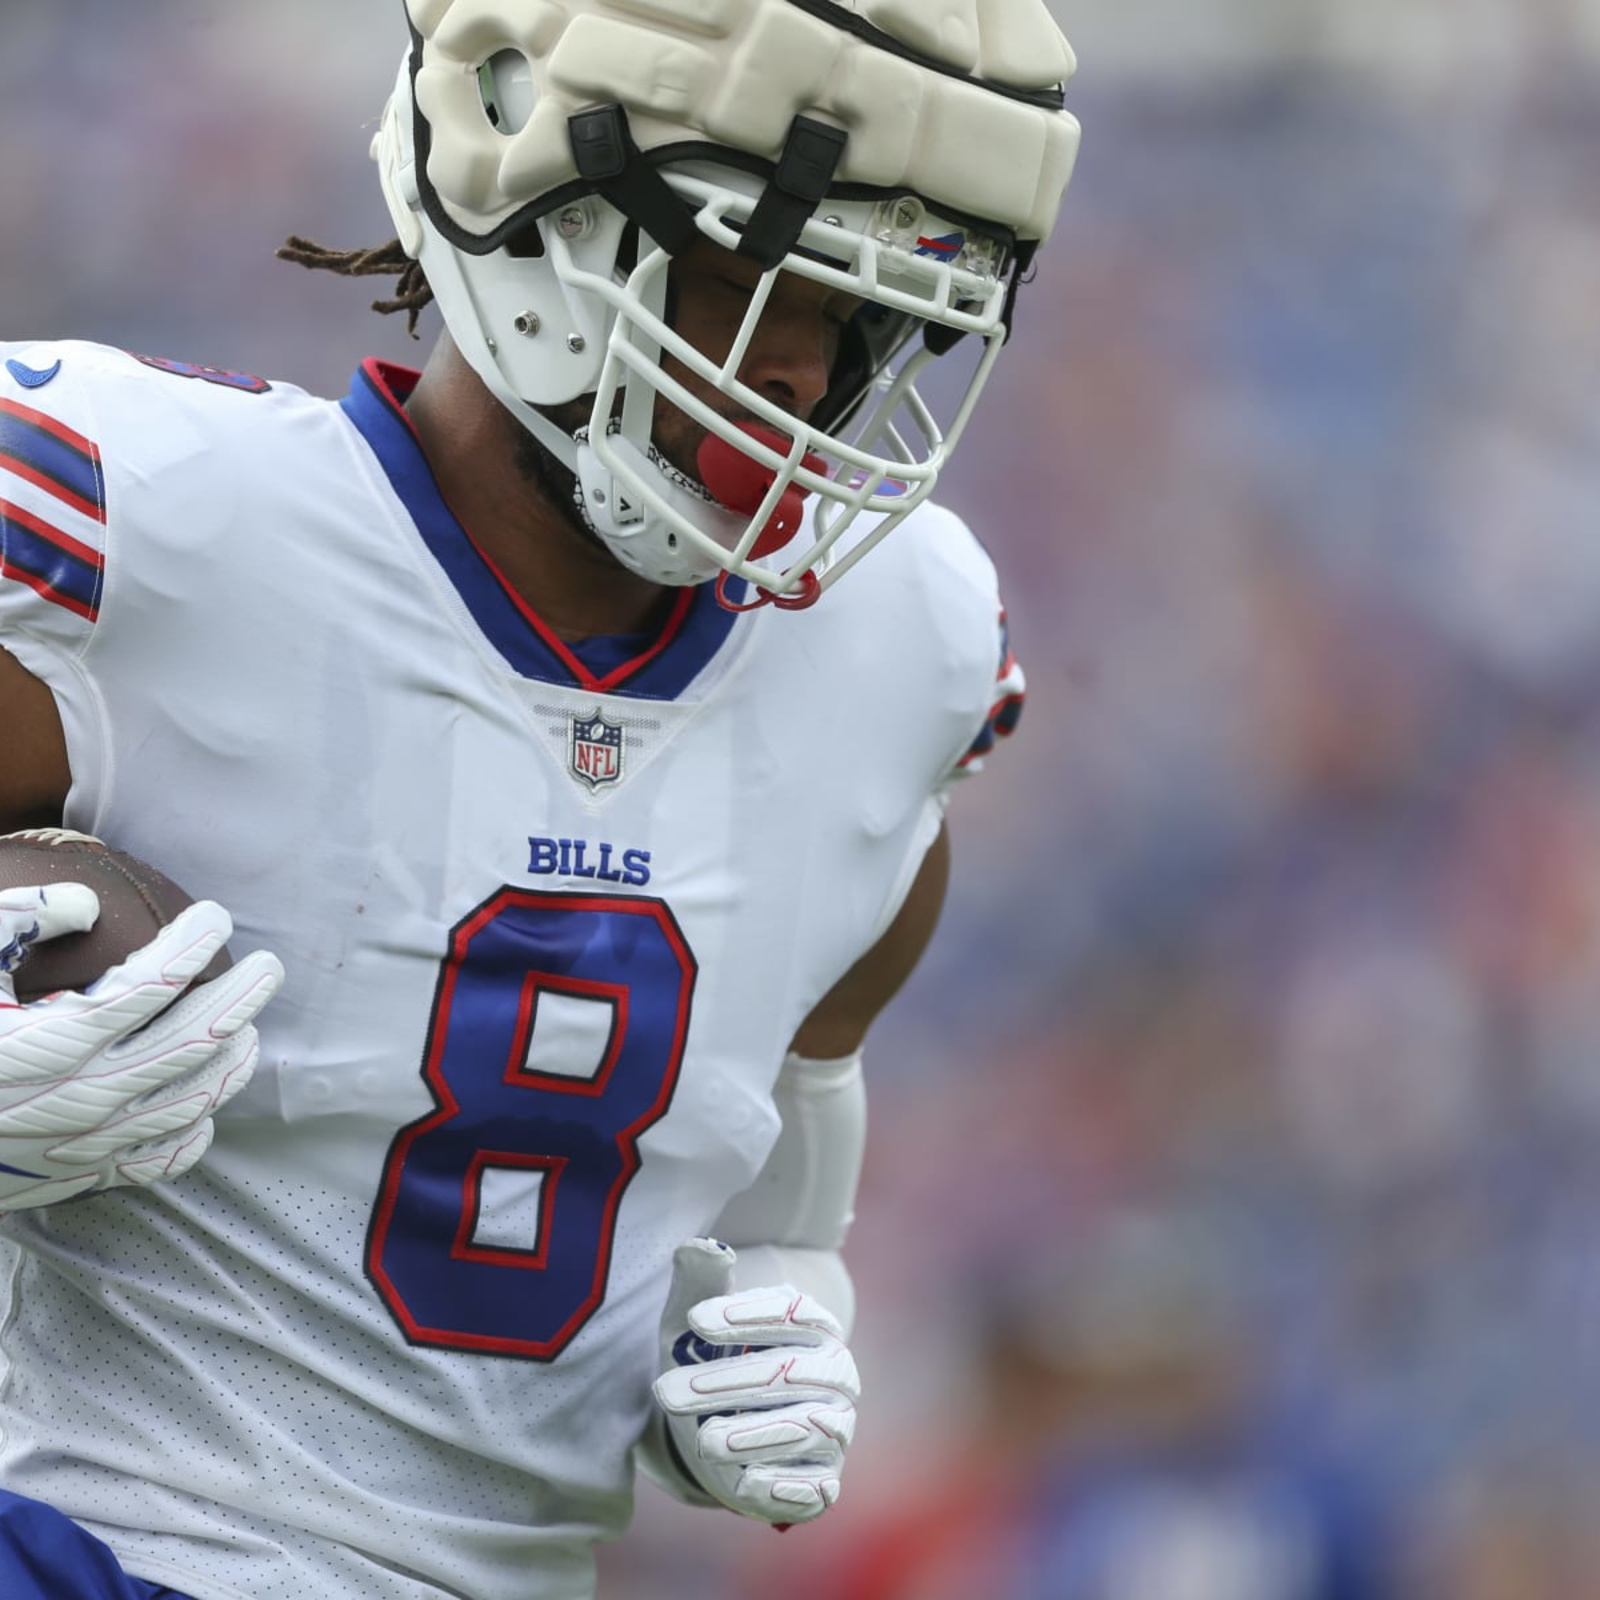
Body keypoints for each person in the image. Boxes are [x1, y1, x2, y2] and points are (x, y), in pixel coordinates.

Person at [0, 2, 1079, 1596]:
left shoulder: (901, 646)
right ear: (527, 193)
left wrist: (783, 1298)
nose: (802, 371)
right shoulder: (147, 522)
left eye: (863, 318)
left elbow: (794, 1099)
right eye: (748, 274)